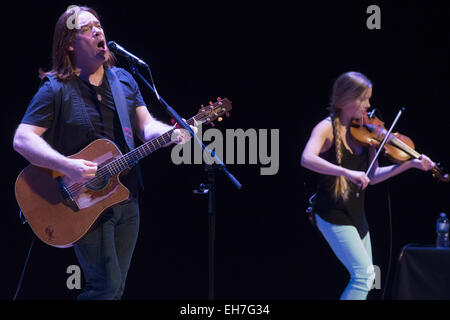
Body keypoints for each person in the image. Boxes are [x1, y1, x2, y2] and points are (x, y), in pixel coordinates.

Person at [13, 6, 195, 300]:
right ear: (70, 43)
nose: (98, 31)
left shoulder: (124, 79)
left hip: (124, 195)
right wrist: (66, 166)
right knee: (104, 288)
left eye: (98, 25)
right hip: (79, 200)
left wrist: (171, 134)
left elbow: (145, 126)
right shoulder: (55, 88)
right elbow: (22, 139)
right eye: (87, 28)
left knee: (115, 290)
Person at [300, 71, 435, 300]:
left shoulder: (365, 133)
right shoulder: (325, 128)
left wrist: (410, 164)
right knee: (363, 276)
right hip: (331, 213)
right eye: (364, 99)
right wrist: (346, 171)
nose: (369, 105)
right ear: (345, 99)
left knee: (368, 276)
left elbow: (371, 177)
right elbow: (306, 158)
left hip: (356, 214)